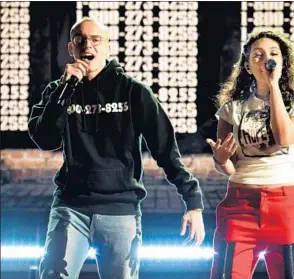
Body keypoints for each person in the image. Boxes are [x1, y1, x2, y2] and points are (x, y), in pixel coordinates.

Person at [28, 17, 205, 279]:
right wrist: (64, 91)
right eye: (80, 40)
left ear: (108, 47)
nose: (88, 44)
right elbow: (46, 139)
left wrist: (193, 203)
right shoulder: (57, 92)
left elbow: (166, 149)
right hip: (70, 207)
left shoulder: (134, 92)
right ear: (71, 49)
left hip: (120, 209)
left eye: (96, 39)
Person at [206, 29, 294, 279]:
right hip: (240, 203)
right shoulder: (231, 109)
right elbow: (229, 166)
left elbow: (285, 137)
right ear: (246, 64)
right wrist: (220, 160)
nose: (266, 59)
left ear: (283, 62)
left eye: (273, 54)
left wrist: (273, 86)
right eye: (258, 54)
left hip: (285, 207)